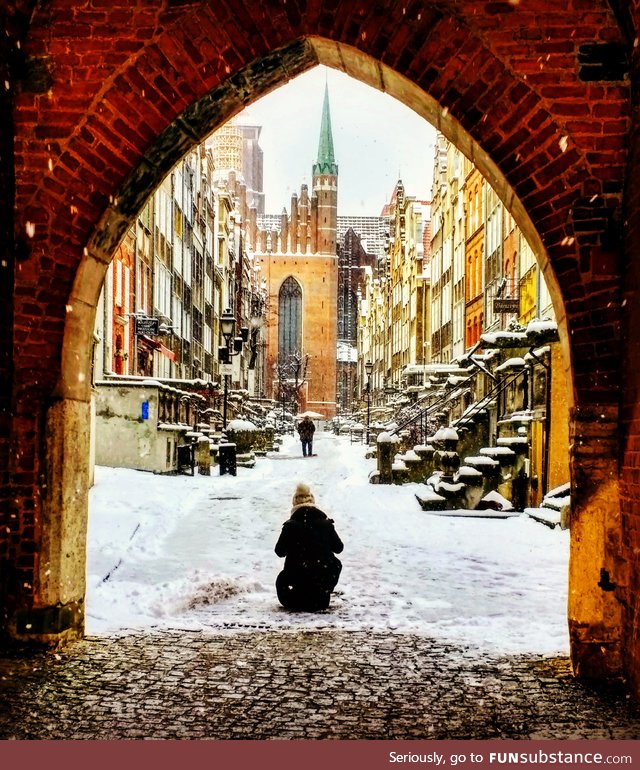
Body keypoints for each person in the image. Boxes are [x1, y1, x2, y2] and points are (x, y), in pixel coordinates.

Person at [275, 483, 344, 612]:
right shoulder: (326, 524)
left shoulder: (290, 526)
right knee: (335, 563)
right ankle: (324, 588)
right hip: (321, 598)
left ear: (294, 504)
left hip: (293, 597)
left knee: (283, 577)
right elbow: (339, 548)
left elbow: (279, 551)